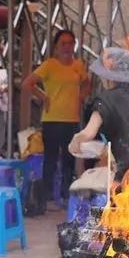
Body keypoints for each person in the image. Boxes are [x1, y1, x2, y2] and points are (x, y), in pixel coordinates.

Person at [22, 30, 89, 209]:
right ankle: (48, 198)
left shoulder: (78, 66)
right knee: (51, 159)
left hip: (72, 119)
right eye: (63, 44)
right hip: (52, 120)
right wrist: (44, 97)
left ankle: (66, 197)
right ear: (56, 47)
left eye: (70, 43)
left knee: (69, 159)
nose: (67, 47)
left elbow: (87, 82)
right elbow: (28, 83)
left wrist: (81, 96)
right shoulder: (49, 65)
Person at [69, 48, 129, 182]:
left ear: (108, 75)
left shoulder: (106, 100)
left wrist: (77, 139)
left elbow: (88, 133)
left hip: (126, 177)